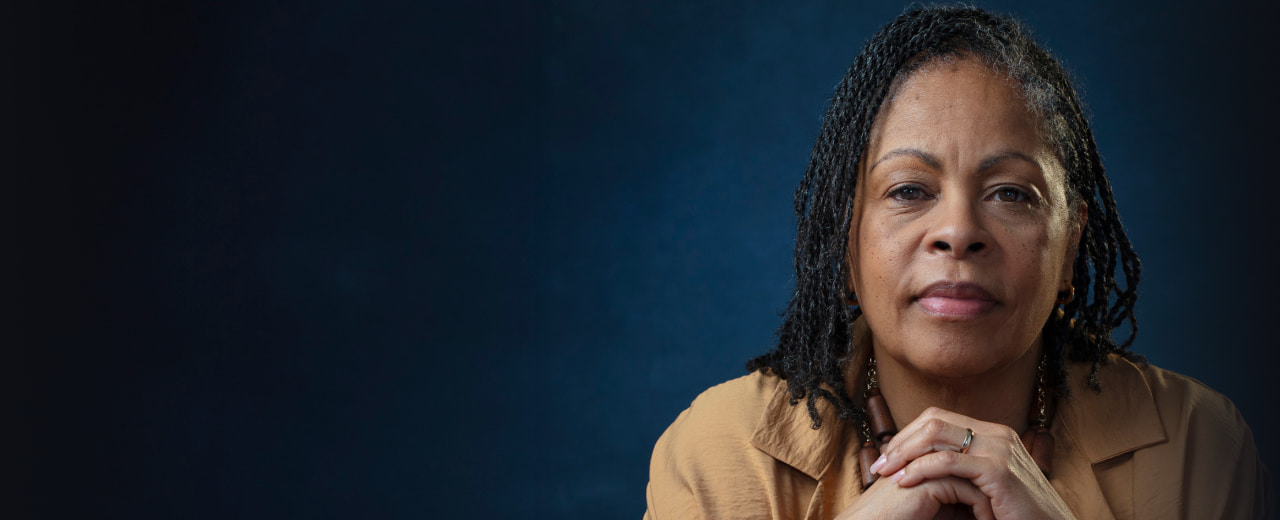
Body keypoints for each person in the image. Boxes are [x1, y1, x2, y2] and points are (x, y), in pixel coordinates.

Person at [643, 5, 1273, 519]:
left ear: (1071, 245)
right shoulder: (718, 452)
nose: (959, 232)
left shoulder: (1200, 446)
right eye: (908, 190)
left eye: (1010, 194)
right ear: (845, 237)